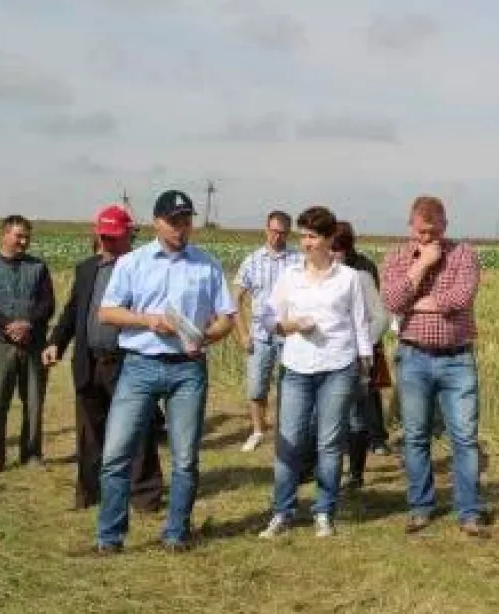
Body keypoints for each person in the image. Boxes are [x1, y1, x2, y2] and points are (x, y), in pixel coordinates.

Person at [94, 189, 236, 554]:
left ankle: (176, 533)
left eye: (186, 221)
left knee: (185, 458)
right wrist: (148, 320)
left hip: (187, 369)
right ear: (157, 222)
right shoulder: (132, 263)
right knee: (116, 455)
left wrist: (205, 336)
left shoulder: (207, 264)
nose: (180, 228)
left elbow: (227, 318)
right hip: (139, 365)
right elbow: (107, 312)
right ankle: (110, 537)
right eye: (173, 221)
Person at [257, 207, 372, 539]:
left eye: (313, 236)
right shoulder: (289, 276)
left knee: (329, 442)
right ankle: (282, 511)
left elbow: (360, 323)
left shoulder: (348, 278)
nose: (306, 243)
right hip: (296, 367)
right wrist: (289, 325)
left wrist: (364, 364)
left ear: (329, 238)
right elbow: (268, 318)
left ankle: (324, 511)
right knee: (289, 441)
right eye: (303, 236)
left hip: (338, 367)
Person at [42, 206, 164, 511]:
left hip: (128, 363)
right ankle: (89, 492)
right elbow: (73, 311)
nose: (107, 242)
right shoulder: (87, 269)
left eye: (113, 236)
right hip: (89, 361)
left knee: (138, 429)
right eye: (103, 236)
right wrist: (56, 343)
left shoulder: (145, 269)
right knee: (89, 431)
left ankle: (145, 497)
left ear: (129, 235)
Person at [381, 195, 487, 537]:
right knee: (415, 436)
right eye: (421, 232)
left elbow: (461, 298)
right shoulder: (397, 256)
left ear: (445, 225)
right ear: (411, 226)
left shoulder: (464, 254)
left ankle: (469, 511)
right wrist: (423, 264)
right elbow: (392, 301)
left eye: (434, 231)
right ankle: (421, 507)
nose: (427, 238)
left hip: (457, 358)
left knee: (464, 437)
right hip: (413, 357)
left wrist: (417, 304)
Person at [0, 215, 55, 473]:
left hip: (32, 341)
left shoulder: (38, 267)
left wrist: (28, 323)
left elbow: (47, 303)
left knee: (33, 401)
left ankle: (31, 454)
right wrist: (9, 325)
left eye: (27, 237)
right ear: (4, 234)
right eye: (19, 236)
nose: (23, 241)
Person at [233, 210, 303, 452]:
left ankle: (287, 431)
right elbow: (236, 299)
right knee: (256, 386)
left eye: (282, 233)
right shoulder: (252, 261)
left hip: (289, 334)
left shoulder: (298, 261)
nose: (277, 236)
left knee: (290, 386)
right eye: (273, 231)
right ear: (266, 229)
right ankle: (257, 430)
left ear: (288, 233)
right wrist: (243, 333)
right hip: (260, 335)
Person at [331, 220, 389, 489]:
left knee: (363, 403)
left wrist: (364, 344)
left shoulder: (364, 269)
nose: (334, 253)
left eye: (338, 248)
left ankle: (370, 446)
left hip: (360, 349)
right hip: (330, 354)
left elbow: (376, 313)